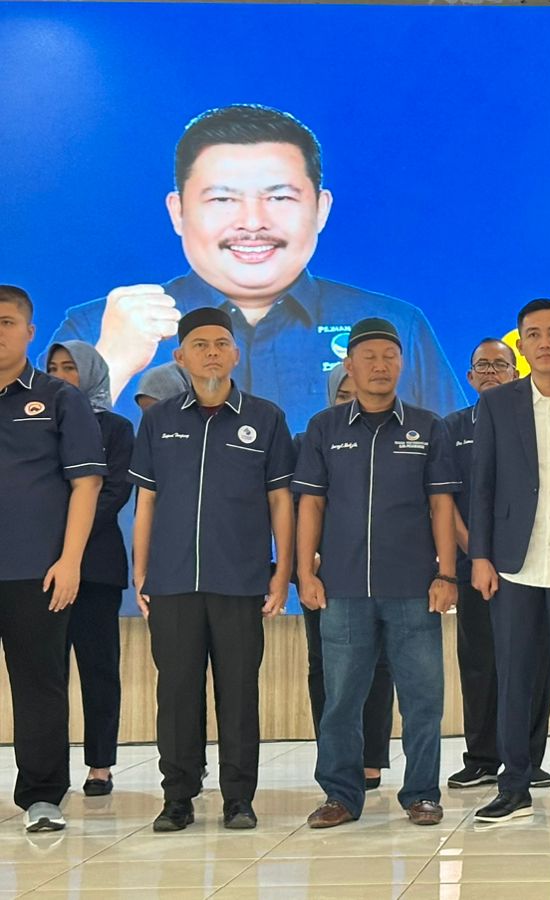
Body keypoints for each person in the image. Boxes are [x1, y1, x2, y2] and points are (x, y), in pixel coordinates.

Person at [49, 103, 463, 429]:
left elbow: (454, 462)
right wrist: (112, 364)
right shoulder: (94, 329)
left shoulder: (396, 326)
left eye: (279, 197)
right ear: (177, 212)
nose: (252, 222)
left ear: (321, 209)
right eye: (222, 199)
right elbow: (37, 465)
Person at [130, 308, 296, 831]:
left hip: (240, 579)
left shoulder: (265, 417)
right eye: (200, 345)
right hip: (173, 578)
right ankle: (177, 797)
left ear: (235, 355)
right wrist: (141, 570)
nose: (211, 353)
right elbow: (146, 499)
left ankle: (238, 798)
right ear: (180, 357)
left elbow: (280, 500)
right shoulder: (159, 420)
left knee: (239, 691)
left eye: (221, 343)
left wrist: (282, 571)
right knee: (177, 692)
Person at [294, 317, 459, 828]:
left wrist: (447, 574)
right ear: (349, 365)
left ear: (401, 363)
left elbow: (441, 505)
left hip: (413, 587)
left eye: (389, 356)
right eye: (369, 357)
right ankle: (341, 795)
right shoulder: (324, 428)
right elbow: (311, 505)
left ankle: (422, 793)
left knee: (423, 698)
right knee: (341, 699)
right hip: (342, 588)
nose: (380, 365)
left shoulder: (427, 427)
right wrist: (305, 573)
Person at [469, 301, 550, 822]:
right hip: (513, 562)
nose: (545, 342)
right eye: (533, 334)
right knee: (515, 677)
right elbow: (482, 485)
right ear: (521, 345)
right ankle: (514, 783)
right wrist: (481, 556)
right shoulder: (498, 404)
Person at [0, 285, 104, 833]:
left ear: (29, 331)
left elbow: (86, 484)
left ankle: (41, 797)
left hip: (37, 570)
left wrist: (70, 560)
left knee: (39, 685)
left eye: (6, 322)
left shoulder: (60, 398)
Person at [445, 335, 550, 796]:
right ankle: (483, 759)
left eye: (500, 365)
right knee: (479, 662)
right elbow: (444, 499)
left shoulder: (536, 421)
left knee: (536, 662)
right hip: (475, 565)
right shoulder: (451, 427)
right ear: (470, 377)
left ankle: (528, 759)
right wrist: (479, 554)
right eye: (483, 366)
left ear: (516, 373)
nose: (491, 372)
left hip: (531, 562)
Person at [44, 341, 134, 798]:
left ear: (91, 373)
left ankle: (100, 765)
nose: (61, 376)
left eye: (70, 368)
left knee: (99, 669)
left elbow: (112, 493)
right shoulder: (36, 424)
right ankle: (48, 768)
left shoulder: (116, 428)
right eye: (53, 368)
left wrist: (68, 543)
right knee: (47, 674)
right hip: (39, 567)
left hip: (95, 568)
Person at [302, 366, 394, 792]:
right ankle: (334, 755)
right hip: (324, 573)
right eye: (343, 394)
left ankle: (371, 758)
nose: (351, 401)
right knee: (325, 666)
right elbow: (301, 505)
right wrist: (305, 563)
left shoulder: (392, 438)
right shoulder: (312, 437)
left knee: (377, 664)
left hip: (382, 571)